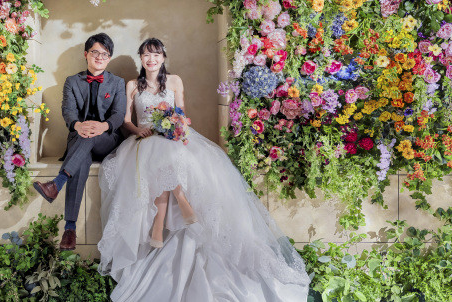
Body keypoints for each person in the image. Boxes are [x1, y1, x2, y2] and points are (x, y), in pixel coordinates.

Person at [97, 38, 309, 302]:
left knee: (172, 152)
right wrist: (138, 129)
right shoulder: (132, 85)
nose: (151, 59)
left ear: (163, 57)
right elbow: (127, 120)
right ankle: (181, 202)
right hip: (143, 139)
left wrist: (175, 126)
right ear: (140, 58)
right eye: (146, 55)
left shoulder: (174, 81)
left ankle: (160, 222)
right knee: (160, 153)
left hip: (170, 135)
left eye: (156, 54)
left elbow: (181, 113)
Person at [33, 33, 127, 251]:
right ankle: (70, 230)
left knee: (92, 132)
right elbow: (68, 112)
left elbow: (119, 114)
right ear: (86, 54)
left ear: (109, 58)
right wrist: (78, 125)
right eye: (95, 52)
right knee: (82, 159)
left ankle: (56, 184)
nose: (99, 57)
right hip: (80, 139)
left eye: (105, 54)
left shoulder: (117, 83)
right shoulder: (72, 82)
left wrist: (101, 126)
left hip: (107, 140)